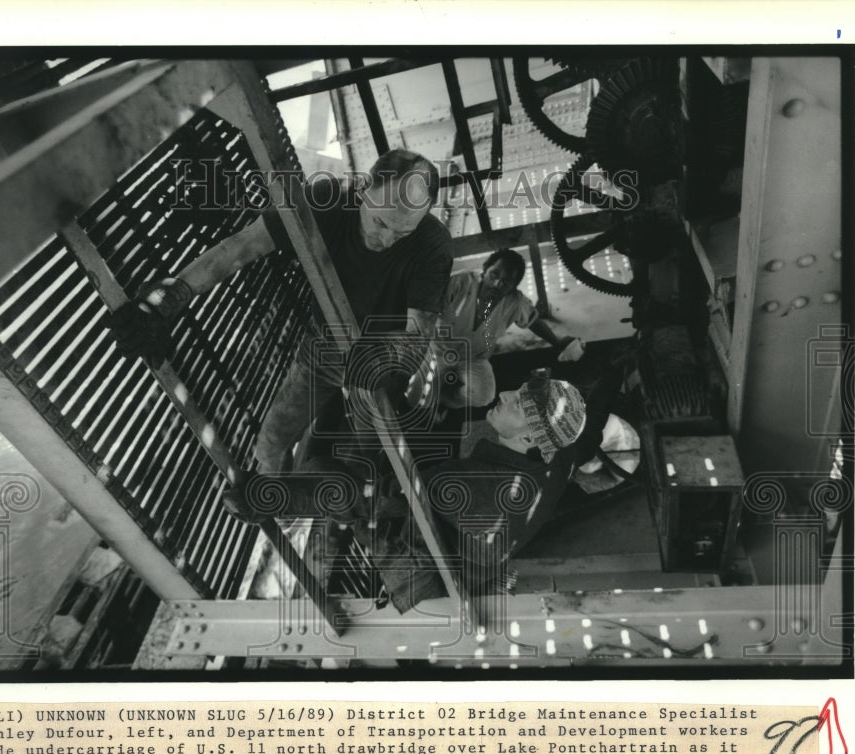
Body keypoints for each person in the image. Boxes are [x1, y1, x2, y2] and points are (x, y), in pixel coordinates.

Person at [107, 148, 454, 474]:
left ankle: (358, 511)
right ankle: (282, 508)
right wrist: (175, 295)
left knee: (372, 461)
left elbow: (418, 335)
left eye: (403, 232)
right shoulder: (326, 200)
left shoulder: (432, 245)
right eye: (381, 223)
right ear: (363, 188)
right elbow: (245, 245)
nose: (389, 239)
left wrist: (375, 359)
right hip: (323, 351)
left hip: (379, 371)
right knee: (268, 448)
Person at [226, 358, 627, 611]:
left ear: (528, 438)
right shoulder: (556, 456)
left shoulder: (473, 486)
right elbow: (586, 431)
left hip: (427, 578)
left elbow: (370, 499)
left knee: (331, 473)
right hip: (462, 558)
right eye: (519, 391)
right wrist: (612, 371)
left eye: (518, 403)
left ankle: (273, 501)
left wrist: (270, 495)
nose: (505, 394)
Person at [434, 248, 584, 408]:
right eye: (495, 274)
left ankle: (445, 400)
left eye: (507, 281)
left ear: (514, 286)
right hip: (439, 351)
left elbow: (534, 321)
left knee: (483, 395)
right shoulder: (462, 282)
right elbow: (428, 307)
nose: (498, 284)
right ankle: (436, 393)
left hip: (474, 358)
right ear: (485, 270)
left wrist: (558, 342)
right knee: (420, 398)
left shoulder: (515, 302)